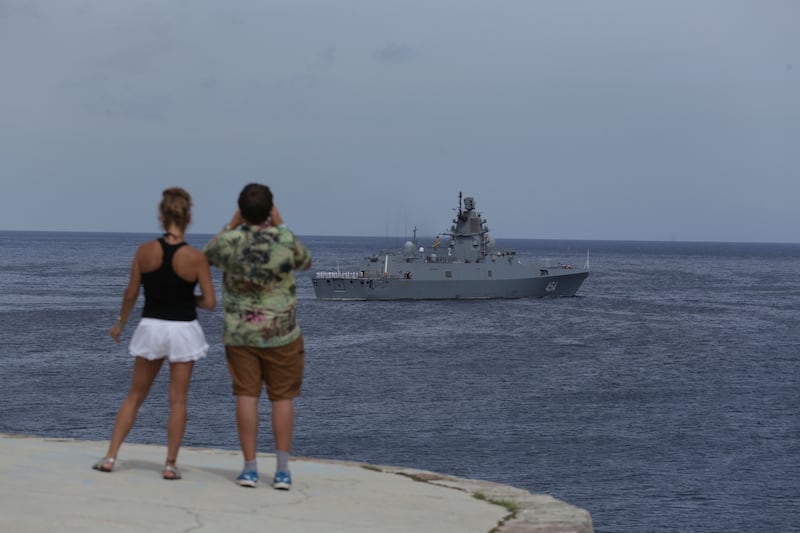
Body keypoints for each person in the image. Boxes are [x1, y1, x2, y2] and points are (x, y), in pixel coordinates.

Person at [93, 187, 216, 480]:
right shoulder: (195, 257)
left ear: (162, 216)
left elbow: (131, 293)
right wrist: (188, 299)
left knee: (135, 395)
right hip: (183, 330)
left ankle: (111, 457)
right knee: (178, 400)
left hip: (152, 327)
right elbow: (210, 302)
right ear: (188, 217)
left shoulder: (145, 251)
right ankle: (170, 465)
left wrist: (120, 324)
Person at [204, 183, 312, 490]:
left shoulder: (230, 241)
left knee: (247, 396)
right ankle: (281, 471)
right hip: (282, 333)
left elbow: (206, 255)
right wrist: (281, 224)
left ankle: (250, 469)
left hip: (241, 334)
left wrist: (231, 224)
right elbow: (306, 261)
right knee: (282, 399)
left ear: (241, 210)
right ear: (270, 210)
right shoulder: (284, 240)